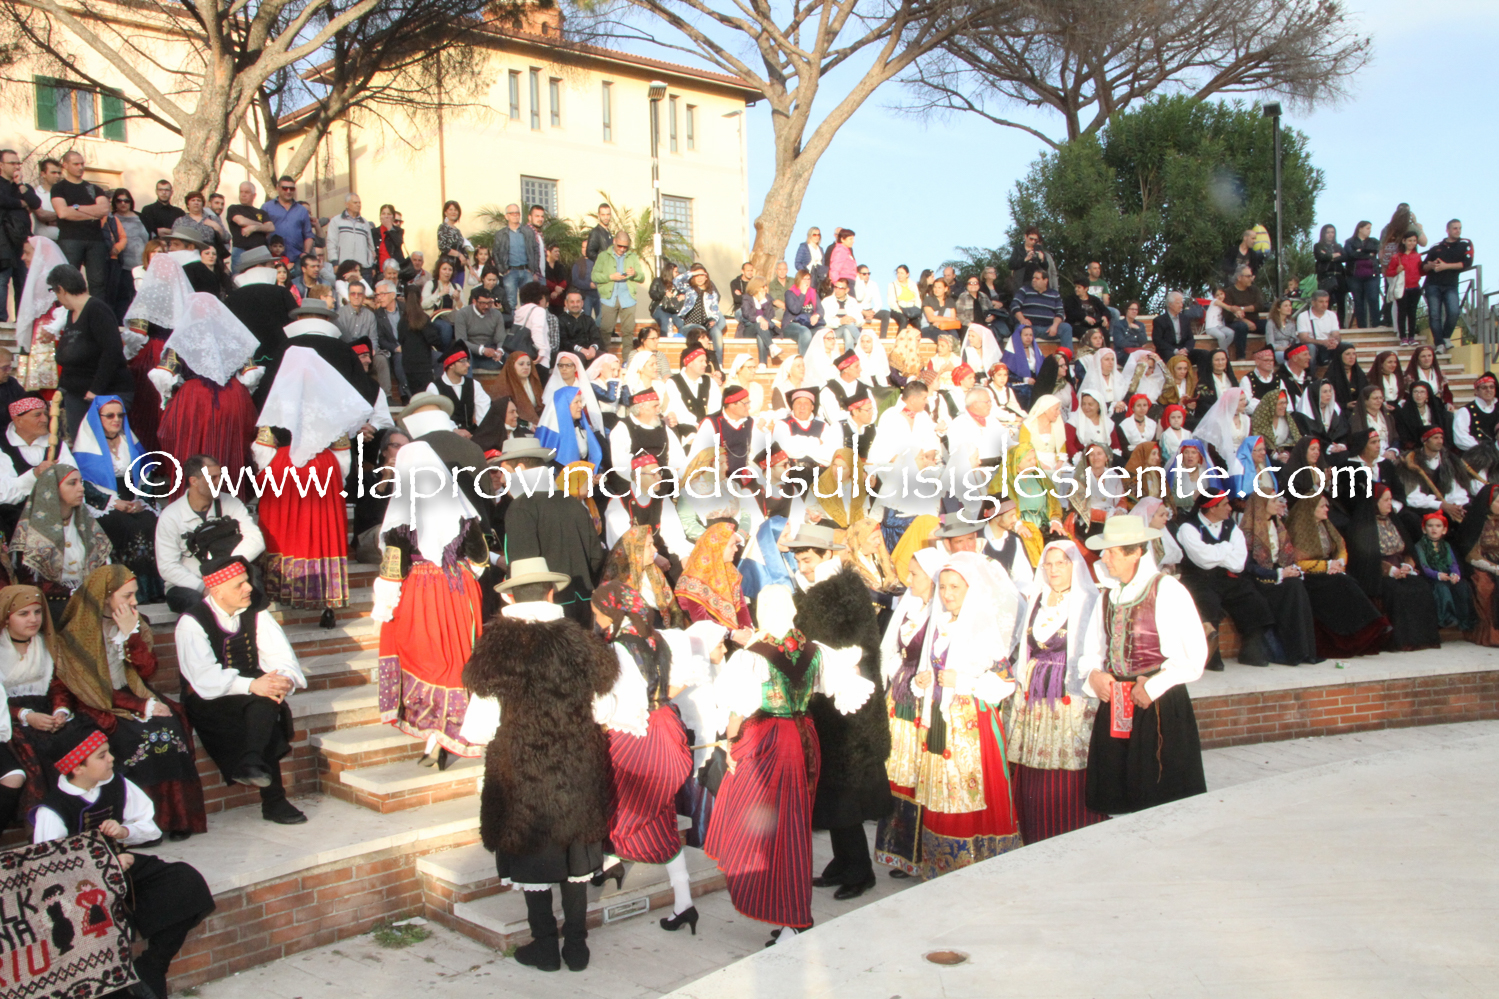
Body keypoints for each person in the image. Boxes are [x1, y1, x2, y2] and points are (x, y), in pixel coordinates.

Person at [462, 557, 617, 971]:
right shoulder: (580, 643)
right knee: (575, 853)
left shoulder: (495, 648)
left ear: (510, 597)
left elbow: (478, 727)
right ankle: (577, 947)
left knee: (531, 850)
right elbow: (606, 709)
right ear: (552, 592)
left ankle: (545, 946)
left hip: (522, 768)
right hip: (576, 765)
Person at [704, 584, 870, 944]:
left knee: (761, 822)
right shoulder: (815, 651)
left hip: (768, 741)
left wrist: (730, 745)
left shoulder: (752, 656)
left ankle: (794, 917)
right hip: (804, 736)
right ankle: (789, 913)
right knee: (793, 825)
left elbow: (738, 708)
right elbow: (847, 679)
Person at [31, 722, 215, 999]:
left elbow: (150, 828)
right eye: (102, 755)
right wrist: (107, 867)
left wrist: (125, 832)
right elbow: (48, 870)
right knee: (106, 925)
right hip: (80, 888)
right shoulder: (52, 811)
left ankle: (151, 966)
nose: (111, 759)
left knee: (185, 882)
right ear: (78, 768)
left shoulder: (116, 784)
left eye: (108, 752)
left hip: (122, 864)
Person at [371, 403, 488, 770]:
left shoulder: (400, 521)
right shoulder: (461, 511)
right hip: (459, 590)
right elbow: (480, 557)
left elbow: (392, 571)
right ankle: (449, 734)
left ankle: (433, 733)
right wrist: (461, 572)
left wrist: (384, 607)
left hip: (419, 593)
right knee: (458, 659)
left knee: (426, 659)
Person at [51, 564, 206, 837]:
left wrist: (132, 634)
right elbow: (80, 684)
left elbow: (147, 671)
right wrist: (142, 706)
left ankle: (176, 820)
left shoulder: (136, 621)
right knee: (136, 739)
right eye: (127, 596)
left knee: (169, 729)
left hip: (133, 692)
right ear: (104, 597)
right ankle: (134, 825)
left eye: (135, 594)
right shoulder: (77, 631)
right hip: (94, 702)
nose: (134, 601)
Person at [778, 524, 890, 901]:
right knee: (833, 786)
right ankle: (844, 861)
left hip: (849, 707)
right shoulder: (817, 591)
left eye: (808, 558)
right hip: (827, 703)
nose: (803, 566)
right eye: (799, 559)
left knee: (846, 790)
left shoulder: (841, 592)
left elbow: (855, 649)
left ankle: (860, 870)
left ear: (827, 555)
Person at [586, 582, 703, 935]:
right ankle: (682, 901)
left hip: (635, 733)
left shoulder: (618, 648)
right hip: (664, 725)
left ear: (613, 611)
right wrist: (657, 701)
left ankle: (610, 863)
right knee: (657, 812)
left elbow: (613, 705)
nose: (596, 618)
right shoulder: (658, 639)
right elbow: (677, 684)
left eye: (598, 612)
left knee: (620, 802)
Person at [1083, 516, 1207, 814]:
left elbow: (1193, 656)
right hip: (1116, 702)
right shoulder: (1108, 596)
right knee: (1117, 790)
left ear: (1136, 552)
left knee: (1160, 793)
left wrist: (1152, 686)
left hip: (1158, 704)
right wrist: (1094, 676)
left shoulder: (1166, 590)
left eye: (1112, 552)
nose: (1104, 558)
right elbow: (1092, 650)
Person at [254, 327, 375, 629]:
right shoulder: (329, 402)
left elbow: (262, 447)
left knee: (284, 531)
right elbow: (343, 451)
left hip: (283, 468)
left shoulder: (277, 399)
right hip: (323, 468)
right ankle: (325, 601)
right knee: (320, 532)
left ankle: (284, 590)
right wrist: (336, 478)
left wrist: (267, 473)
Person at [1006, 540, 1108, 842]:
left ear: (1074, 566)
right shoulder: (1036, 599)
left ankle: (1072, 831)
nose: (1053, 570)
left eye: (1061, 563)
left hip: (1069, 694)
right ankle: (1035, 831)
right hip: (1033, 695)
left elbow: (1096, 648)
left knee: (1067, 761)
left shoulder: (1088, 600)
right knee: (1033, 764)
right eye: (1048, 564)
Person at [1286, 495, 1393, 656]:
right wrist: (1327, 566)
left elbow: (1341, 547)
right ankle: (1369, 626)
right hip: (1308, 576)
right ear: (1311, 509)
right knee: (1343, 583)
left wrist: (1339, 563)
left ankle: (1369, 627)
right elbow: (1297, 562)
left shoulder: (1326, 526)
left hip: (1330, 571)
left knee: (1346, 581)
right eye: (1322, 506)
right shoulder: (1298, 529)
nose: (1327, 509)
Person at [155, 454, 264, 612]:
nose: (219, 482)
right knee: (197, 603)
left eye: (220, 476)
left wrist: (226, 571)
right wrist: (202, 586)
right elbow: (167, 566)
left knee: (254, 586)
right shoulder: (171, 516)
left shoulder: (231, 503)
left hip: (230, 577)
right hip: (189, 585)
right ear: (194, 481)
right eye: (213, 478)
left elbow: (256, 539)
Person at [1343, 485, 1442, 651]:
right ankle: (1402, 641)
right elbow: (1365, 559)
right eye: (1386, 500)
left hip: (1401, 568)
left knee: (1421, 587)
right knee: (1397, 591)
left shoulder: (1394, 521)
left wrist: (1407, 565)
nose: (1390, 503)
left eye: (1391, 499)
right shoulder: (1362, 525)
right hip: (1377, 573)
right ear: (1375, 502)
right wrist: (1390, 570)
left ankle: (1422, 639)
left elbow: (1408, 549)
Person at [45, 262, 133, 439]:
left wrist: (95, 390)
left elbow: (112, 351)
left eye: (55, 291)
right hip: (76, 392)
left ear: (61, 289)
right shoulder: (71, 313)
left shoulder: (96, 310)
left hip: (101, 394)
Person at [10, 464, 112, 614]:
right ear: (52, 489)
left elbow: (103, 568)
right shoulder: (32, 530)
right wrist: (72, 592)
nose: (81, 488)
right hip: (52, 604)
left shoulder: (86, 524)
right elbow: (31, 582)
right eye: (72, 483)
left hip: (89, 597)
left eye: (80, 482)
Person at [1239, 491, 1319, 665]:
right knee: (1292, 588)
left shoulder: (1278, 526)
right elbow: (1248, 566)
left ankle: (1305, 651)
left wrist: (1291, 570)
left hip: (1278, 575)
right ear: (1261, 505)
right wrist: (1278, 574)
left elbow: (1286, 557)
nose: (1278, 504)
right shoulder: (1247, 531)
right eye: (1274, 501)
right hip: (1258, 580)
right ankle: (1292, 652)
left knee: (1296, 585)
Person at [48, 150, 111, 296]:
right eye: (76, 164)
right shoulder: (59, 188)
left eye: (82, 164)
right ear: (65, 165)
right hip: (70, 239)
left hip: (95, 240)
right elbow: (63, 213)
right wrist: (92, 213)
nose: (80, 167)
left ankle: (96, 310)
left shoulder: (94, 188)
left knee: (98, 282)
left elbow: (103, 210)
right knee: (69, 281)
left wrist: (76, 208)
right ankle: (70, 310)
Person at [1413, 511, 1476, 631]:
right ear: (1424, 529)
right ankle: (1447, 619)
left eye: (1438, 526)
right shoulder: (1419, 546)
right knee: (1442, 588)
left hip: (1446, 574)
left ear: (1444, 530)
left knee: (1462, 586)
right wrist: (1437, 575)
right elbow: (1424, 566)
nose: (1434, 529)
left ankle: (1465, 620)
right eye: (1430, 526)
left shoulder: (1446, 545)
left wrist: (1455, 574)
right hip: (1431, 577)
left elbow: (1452, 563)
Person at [1458, 484, 1499, 647]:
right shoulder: (1476, 522)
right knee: (1486, 586)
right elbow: (1471, 555)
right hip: (1482, 565)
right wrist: (1495, 568)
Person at [1423, 220, 1472, 354]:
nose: (1458, 230)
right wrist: (1431, 265)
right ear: (1448, 230)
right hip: (1433, 284)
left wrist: (1445, 266)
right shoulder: (1436, 247)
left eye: (1460, 228)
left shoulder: (1465, 244)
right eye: (1455, 228)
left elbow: (1467, 263)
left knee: (1454, 312)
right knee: (1434, 315)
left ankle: (1445, 337)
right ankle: (1439, 343)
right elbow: (1424, 266)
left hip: (1451, 284)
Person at [594, 231, 643, 340]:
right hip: (609, 299)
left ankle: (627, 352)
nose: (622, 249)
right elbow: (594, 276)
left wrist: (634, 274)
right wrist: (610, 277)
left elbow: (642, 277)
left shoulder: (633, 257)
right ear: (614, 241)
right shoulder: (603, 256)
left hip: (627, 299)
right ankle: (604, 352)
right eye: (620, 246)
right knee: (605, 332)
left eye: (625, 247)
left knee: (628, 333)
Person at [1386, 229, 1425, 346]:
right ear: (1404, 241)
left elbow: (1421, 271)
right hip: (1402, 288)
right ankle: (1403, 337)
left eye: (1414, 241)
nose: (1412, 243)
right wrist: (1396, 270)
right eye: (1410, 240)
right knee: (1402, 312)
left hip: (1415, 287)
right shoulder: (1396, 257)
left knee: (1412, 313)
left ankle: (1412, 336)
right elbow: (1389, 272)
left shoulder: (1417, 256)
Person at [262, 175, 314, 262]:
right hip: (273, 259)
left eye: (291, 189)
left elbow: (308, 235)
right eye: (285, 188)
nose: (288, 191)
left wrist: (306, 253)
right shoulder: (267, 207)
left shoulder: (302, 210)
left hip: (297, 258)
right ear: (278, 188)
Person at [1342, 220, 1381, 328]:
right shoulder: (1350, 242)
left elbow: (1375, 250)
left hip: (1372, 275)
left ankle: (1376, 324)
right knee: (1358, 300)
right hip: (1355, 276)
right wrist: (1367, 254)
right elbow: (1351, 254)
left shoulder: (1374, 241)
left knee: (1373, 298)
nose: (1369, 231)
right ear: (1360, 228)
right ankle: (1362, 326)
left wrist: (1360, 251)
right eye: (1367, 228)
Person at [1151, 291, 1195, 360]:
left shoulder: (1185, 319)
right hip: (1168, 351)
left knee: (1203, 354)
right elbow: (1158, 340)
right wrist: (1175, 351)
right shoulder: (1159, 320)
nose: (1181, 305)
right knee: (1171, 356)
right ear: (1170, 304)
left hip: (1183, 350)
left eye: (1181, 303)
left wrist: (1185, 349)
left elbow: (1191, 339)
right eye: (1178, 303)